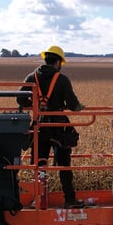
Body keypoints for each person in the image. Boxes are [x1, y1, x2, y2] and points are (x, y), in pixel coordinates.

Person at [18, 45, 86, 208]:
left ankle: (39, 199)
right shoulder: (61, 79)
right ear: (58, 62)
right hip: (58, 127)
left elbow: (20, 100)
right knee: (64, 164)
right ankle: (69, 200)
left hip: (39, 126)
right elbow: (73, 105)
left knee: (40, 164)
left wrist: (35, 105)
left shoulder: (31, 77)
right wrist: (80, 107)